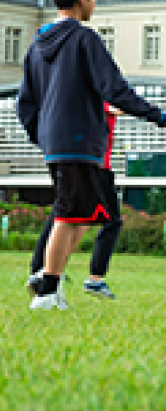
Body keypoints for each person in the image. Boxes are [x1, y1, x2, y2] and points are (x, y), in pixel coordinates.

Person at [17, 0, 166, 311]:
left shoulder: (36, 46)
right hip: (78, 141)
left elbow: (25, 103)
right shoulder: (84, 39)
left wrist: (44, 136)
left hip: (60, 142)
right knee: (67, 214)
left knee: (86, 214)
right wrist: (158, 116)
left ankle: (50, 276)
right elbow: (114, 88)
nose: (95, 3)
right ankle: (47, 289)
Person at [27, 103, 124, 300]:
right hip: (94, 165)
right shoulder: (91, 93)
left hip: (90, 163)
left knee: (68, 216)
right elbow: (116, 106)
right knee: (106, 220)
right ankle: (90, 278)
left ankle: (43, 271)